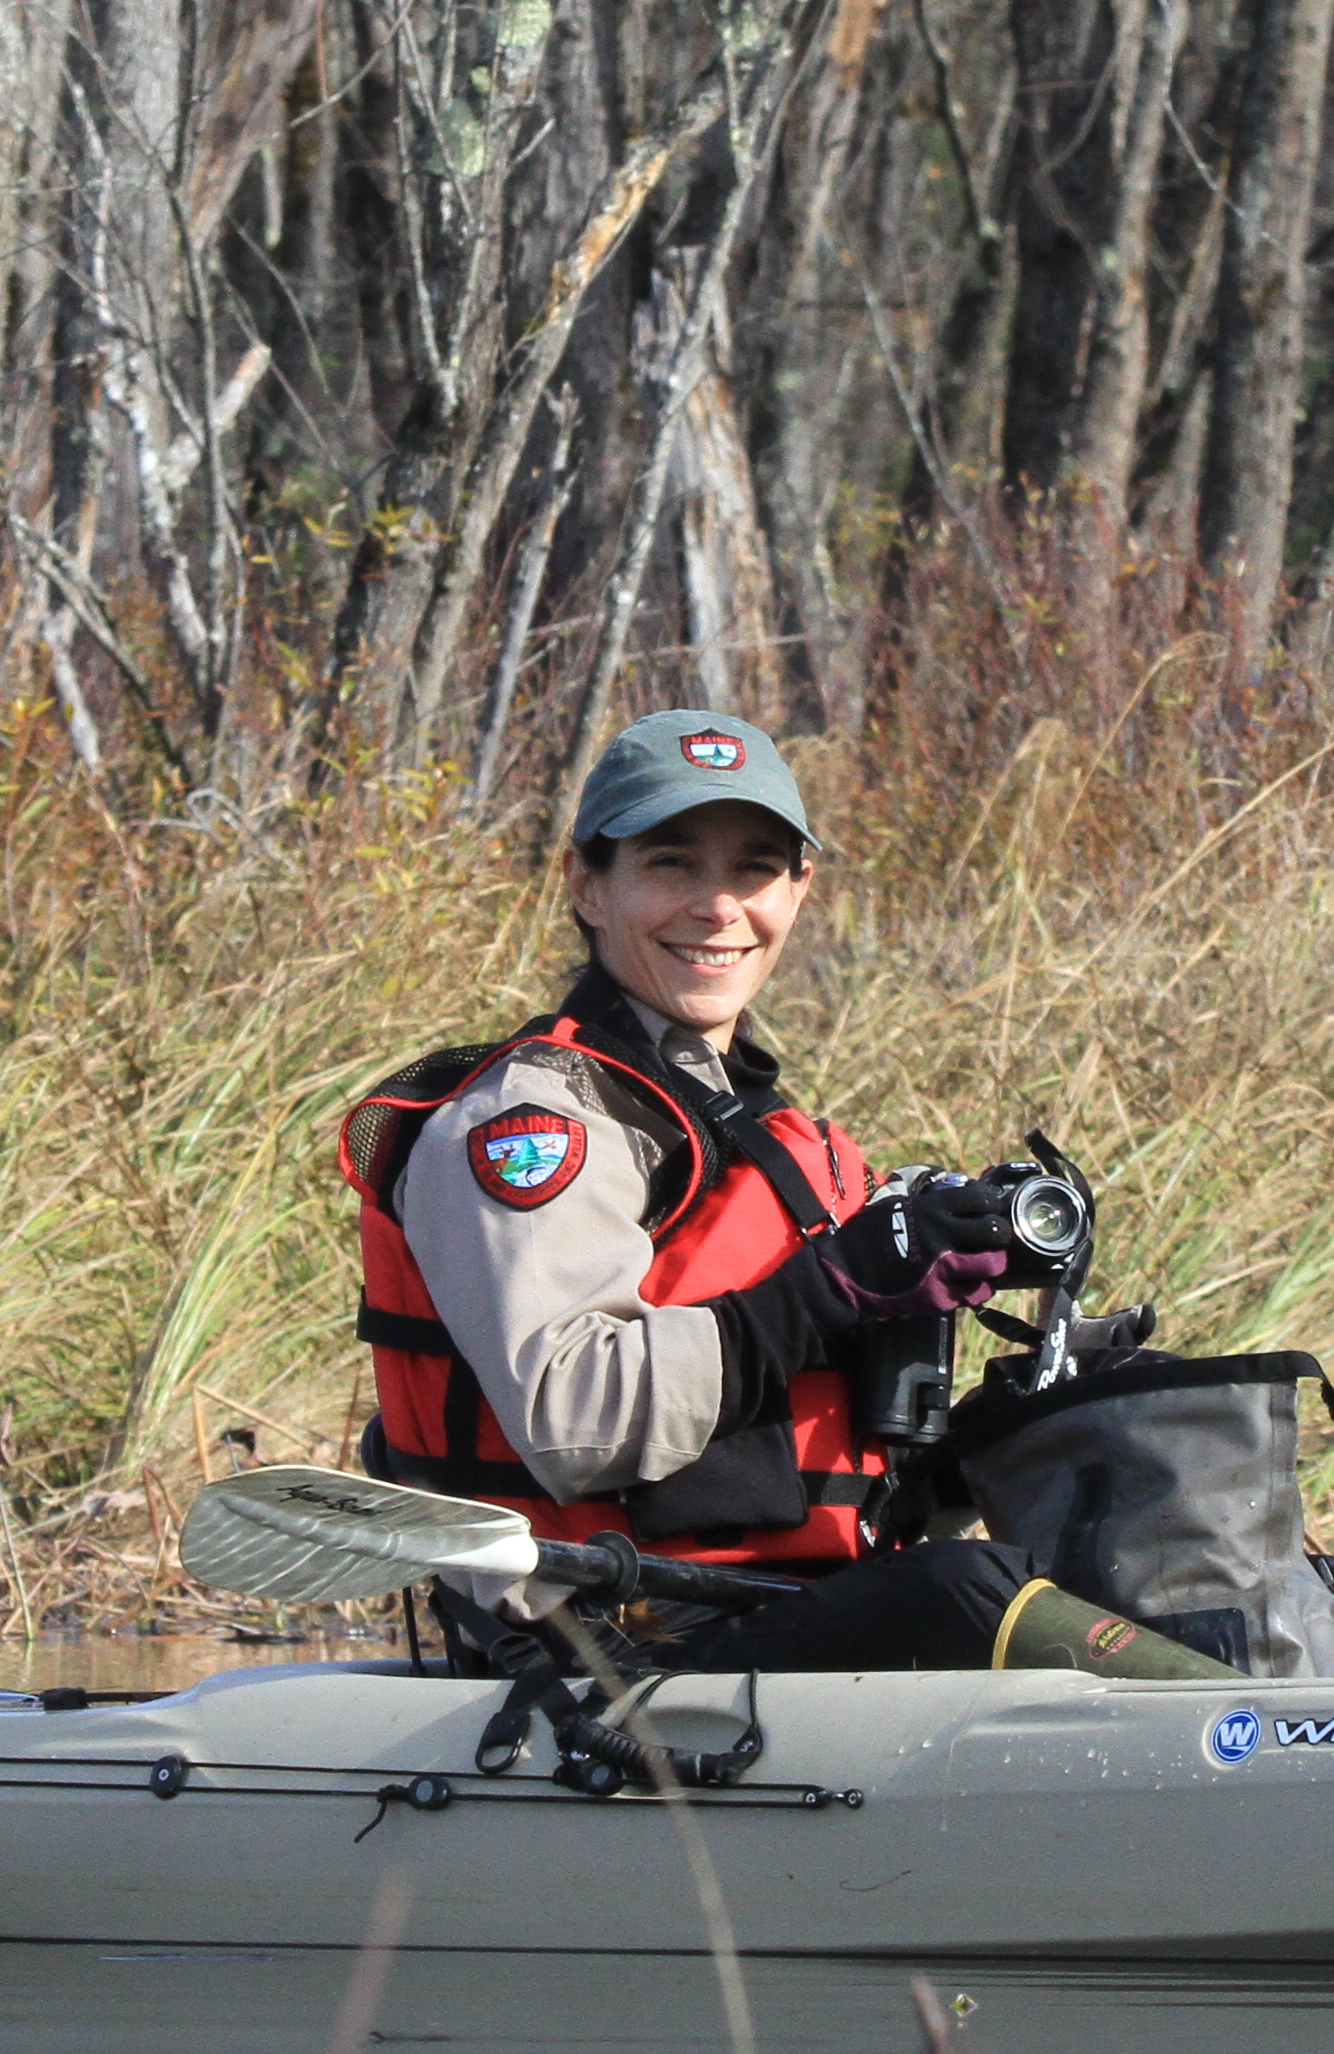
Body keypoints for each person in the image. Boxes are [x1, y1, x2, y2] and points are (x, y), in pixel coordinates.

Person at [342, 709, 1208, 1674]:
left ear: (799, 891)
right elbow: (574, 1420)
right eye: (672, 863)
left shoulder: (766, 1133)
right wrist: (833, 1288)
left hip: (775, 1614)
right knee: (965, 1592)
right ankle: (1260, 1746)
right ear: (587, 884)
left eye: (753, 869)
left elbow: (835, 1496)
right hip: (604, 1657)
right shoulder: (539, 1123)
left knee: (1197, 1548)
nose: (718, 908)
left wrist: (1024, 1410)